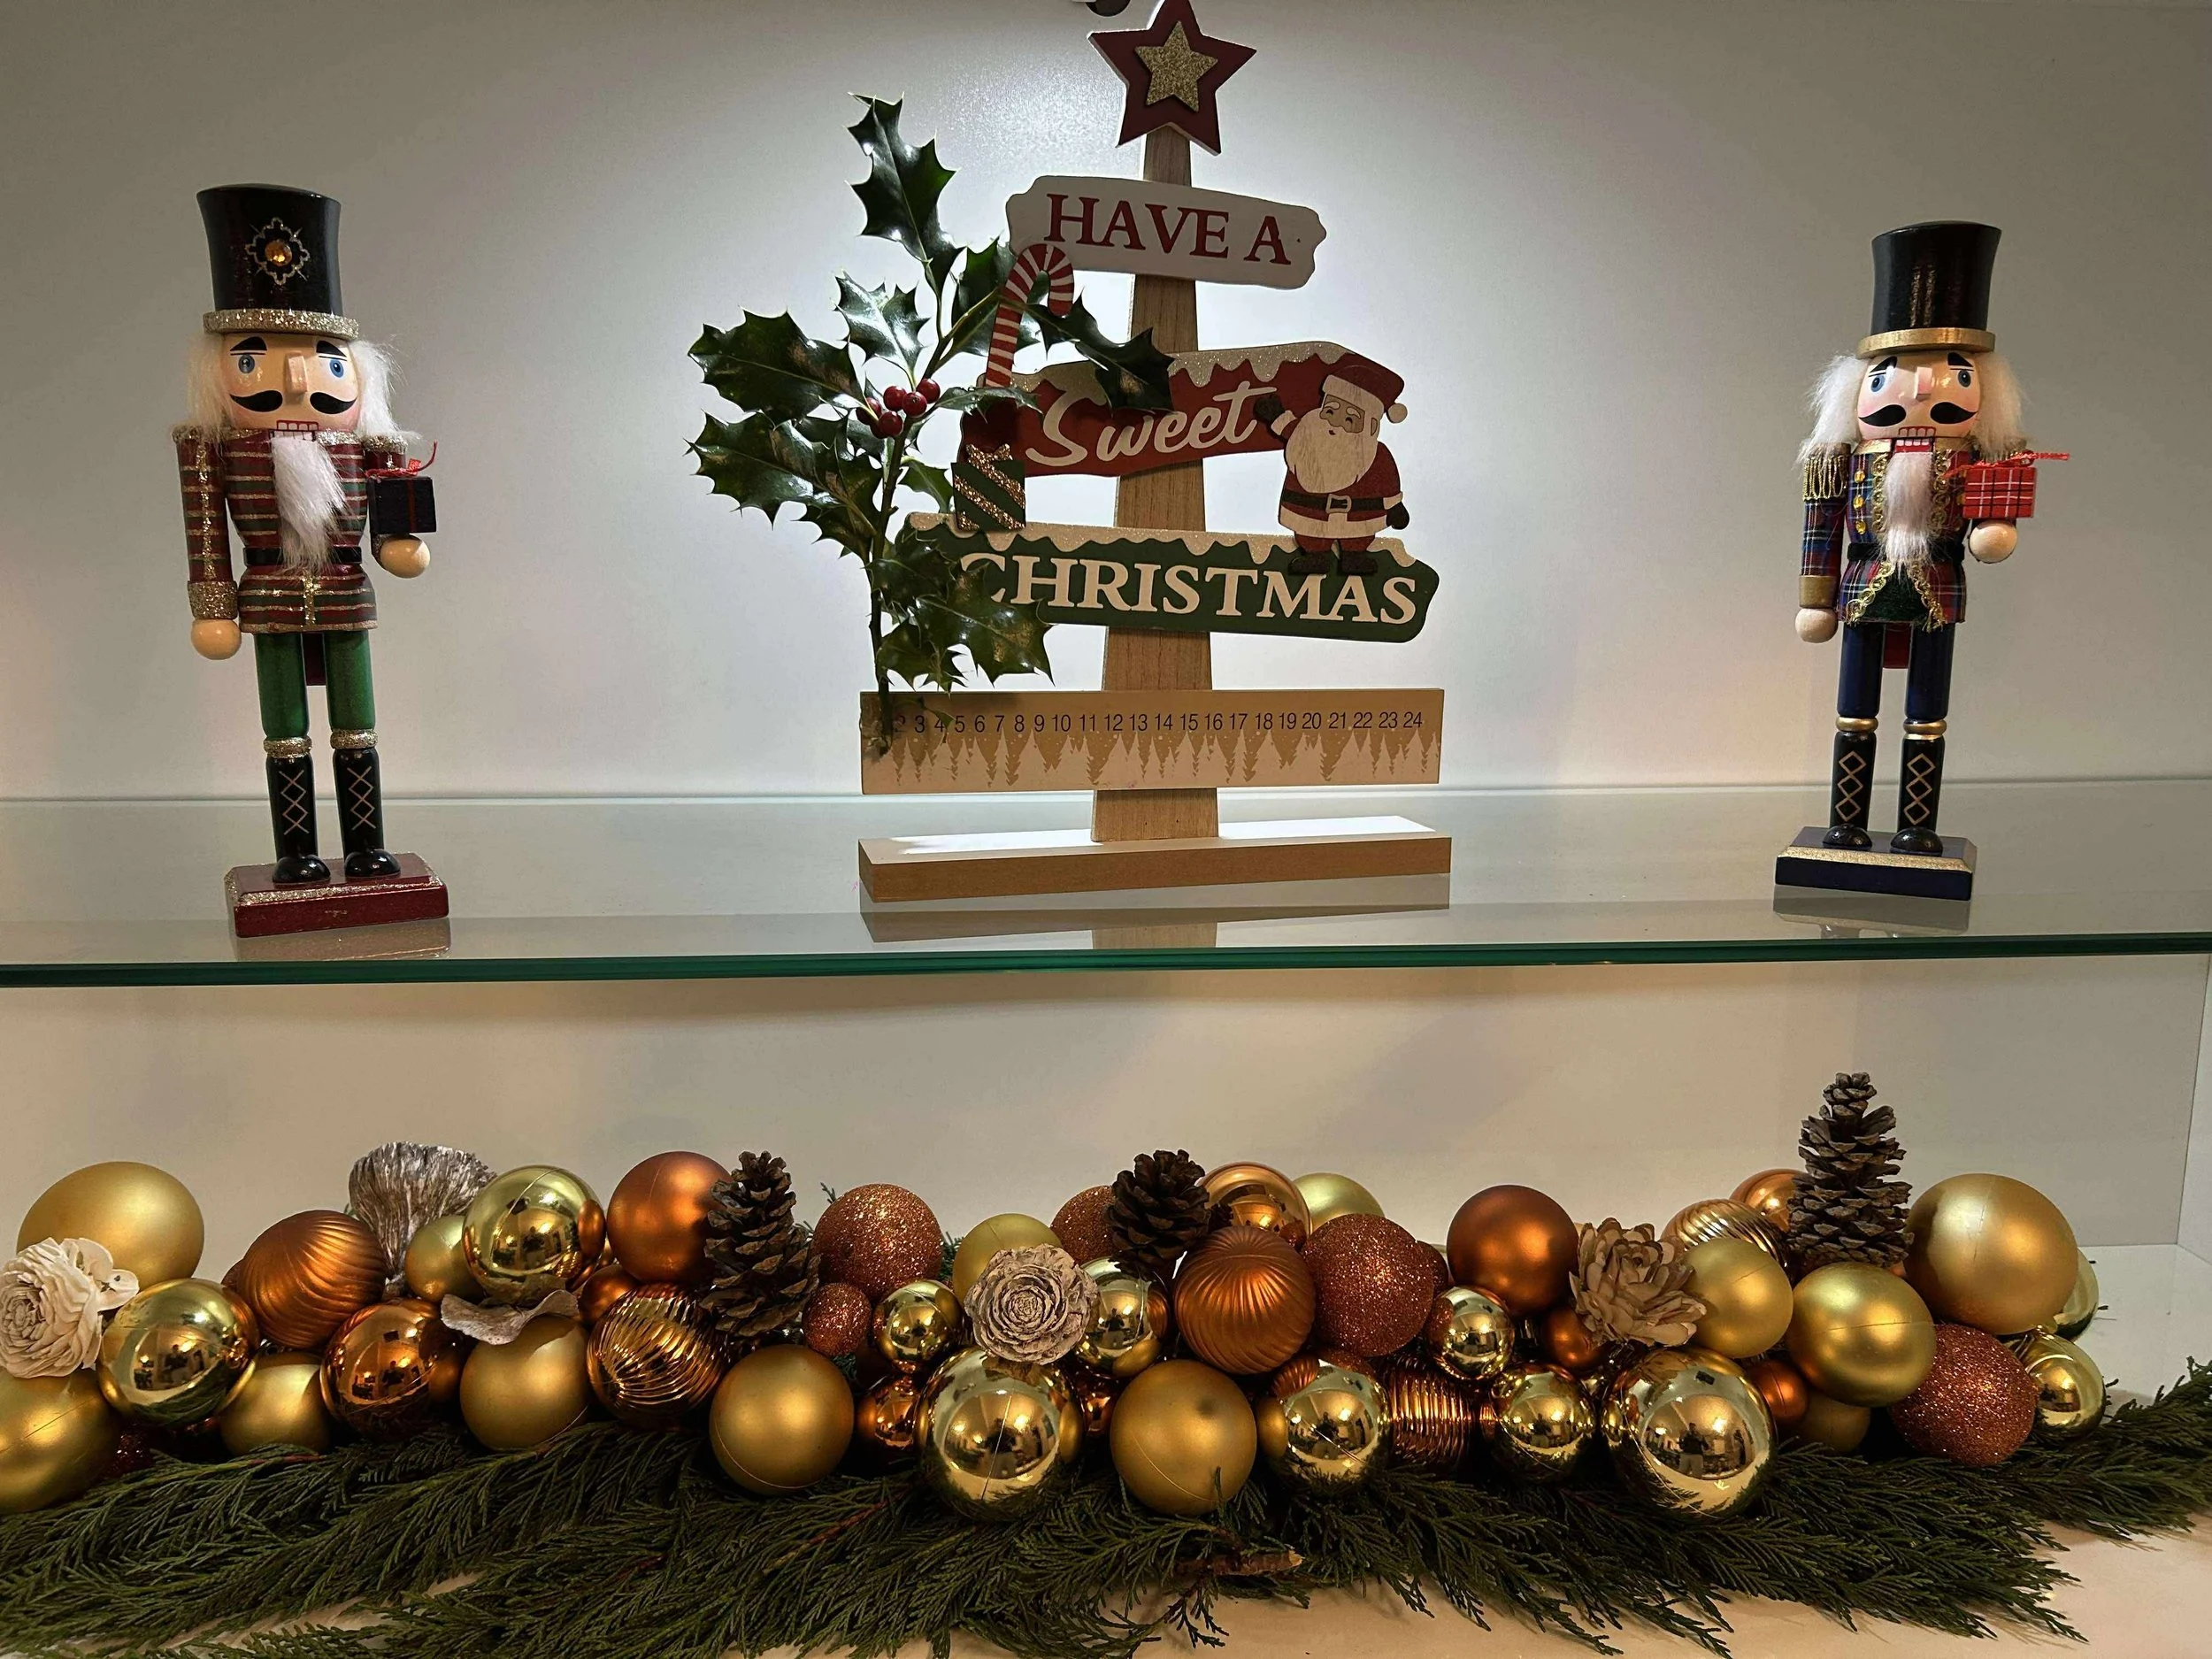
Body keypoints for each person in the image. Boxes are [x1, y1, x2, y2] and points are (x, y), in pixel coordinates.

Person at [174, 184, 434, 885]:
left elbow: (394, 513)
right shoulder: (217, 449)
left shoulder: (364, 446)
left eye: (324, 357)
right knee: (284, 728)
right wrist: (213, 604)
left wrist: (396, 543)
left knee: (357, 725)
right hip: (267, 591)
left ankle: (365, 844)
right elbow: (204, 526)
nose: (297, 376)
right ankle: (296, 851)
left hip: (347, 589)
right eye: (253, 358)